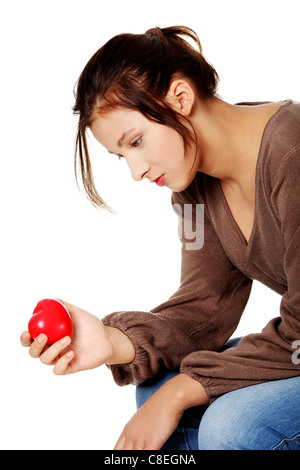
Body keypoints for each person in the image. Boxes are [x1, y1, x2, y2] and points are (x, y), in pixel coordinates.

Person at [20, 26, 300, 450]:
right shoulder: (192, 188)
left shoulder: (291, 154)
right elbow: (204, 307)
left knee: (230, 424)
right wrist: (114, 341)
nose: (136, 171)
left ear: (180, 98)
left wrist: (185, 390)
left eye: (136, 142)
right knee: (156, 387)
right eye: (122, 155)